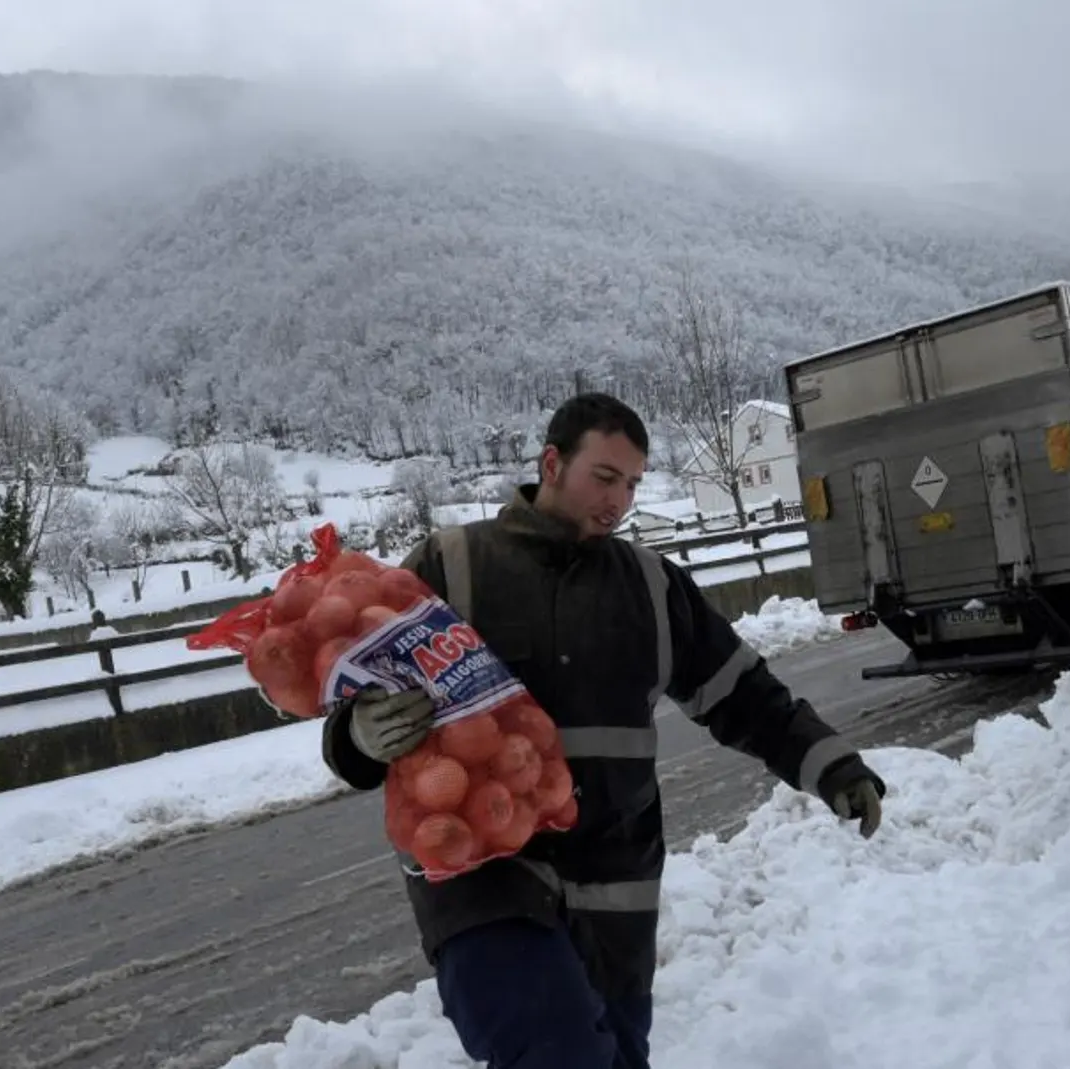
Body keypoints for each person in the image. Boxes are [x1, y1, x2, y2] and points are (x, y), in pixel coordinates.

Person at [314, 392, 887, 1068]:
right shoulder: (449, 568)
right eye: (605, 477)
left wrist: (831, 765)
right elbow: (355, 705)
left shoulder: (649, 586)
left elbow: (744, 695)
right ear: (552, 463)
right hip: (482, 875)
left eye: (634, 484)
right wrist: (358, 736)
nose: (619, 501)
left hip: (617, 885)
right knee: (557, 1051)